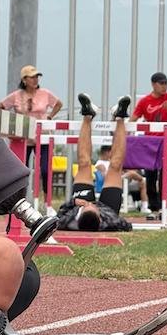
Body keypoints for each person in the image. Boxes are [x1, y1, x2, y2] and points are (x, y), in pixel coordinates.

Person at [53, 93, 133, 232]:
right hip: (108, 209)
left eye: (87, 206)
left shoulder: (68, 221)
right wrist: (107, 218)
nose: (91, 204)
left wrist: (74, 202)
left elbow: (58, 215)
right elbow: (127, 226)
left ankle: (88, 115)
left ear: (79, 214)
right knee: (115, 167)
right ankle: (120, 117)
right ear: (100, 218)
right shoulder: (110, 222)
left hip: (82, 204)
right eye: (93, 207)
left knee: (84, 163)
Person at [0, 65, 63, 208]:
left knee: (45, 169)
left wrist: (49, 117)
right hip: (23, 139)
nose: (35, 80)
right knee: (19, 172)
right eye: (32, 77)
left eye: (37, 77)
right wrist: (11, 123)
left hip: (42, 137)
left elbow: (58, 103)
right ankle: (19, 201)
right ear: (24, 80)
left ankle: (47, 203)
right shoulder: (16, 95)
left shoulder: (45, 93)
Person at [129, 72, 167, 220]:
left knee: (165, 174)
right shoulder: (145, 101)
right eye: (161, 83)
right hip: (150, 143)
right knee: (150, 176)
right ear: (153, 84)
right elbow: (134, 118)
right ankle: (154, 207)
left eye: (166, 83)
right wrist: (125, 128)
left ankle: (164, 205)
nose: (164, 86)